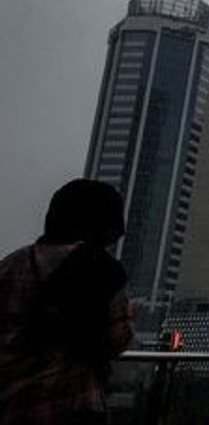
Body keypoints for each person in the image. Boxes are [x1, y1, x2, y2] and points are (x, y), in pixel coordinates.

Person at [0, 179, 134, 425]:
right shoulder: (100, 270)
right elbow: (114, 340)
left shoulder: (11, 265)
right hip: (72, 405)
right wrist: (126, 318)